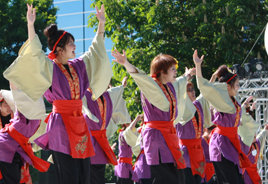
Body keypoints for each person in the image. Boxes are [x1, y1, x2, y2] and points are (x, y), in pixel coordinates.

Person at [3, 4, 112, 184]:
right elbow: (36, 53)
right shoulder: (50, 67)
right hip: (61, 124)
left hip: (80, 124)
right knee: (69, 177)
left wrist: (101, 25)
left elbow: (95, 50)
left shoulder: (78, 65)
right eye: (71, 44)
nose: (75, 46)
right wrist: (31, 25)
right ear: (59, 49)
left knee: (84, 176)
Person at [112, 49, 195, 183]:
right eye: (172, 69)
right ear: (162, 72)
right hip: (157, 137)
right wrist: (126, 63)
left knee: (177, 177)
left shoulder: (170, 86)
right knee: (164, 177)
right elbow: (141, 77)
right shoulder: (151, 85)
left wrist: (187, 76)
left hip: (168, 135)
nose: (175, 71)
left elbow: (179, 82)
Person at [193, 50, 258, 184]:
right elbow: (204, 87)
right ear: (227, 86)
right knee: (231, 180)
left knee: (227, 179)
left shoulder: (233, 101)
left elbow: (237, 110)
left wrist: (246, 106)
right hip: (221, 144)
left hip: (230, 143)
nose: (239, 88)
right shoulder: (223, 101)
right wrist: (198, 66)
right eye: (237, 85)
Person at [82, 77, 131, 184]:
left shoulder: (106, 96)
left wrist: (122, 86)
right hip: (87, 142)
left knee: (97, 175)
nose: (107, 83)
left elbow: (115, 92)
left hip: (99, 143)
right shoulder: (85, 94)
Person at [0, 84, 49, 184]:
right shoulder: (22, 113)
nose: (8, 107)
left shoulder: (35, 116)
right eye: (5, 105)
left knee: (14, 179)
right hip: (4, 147)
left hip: (16, 148)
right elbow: (15, 90)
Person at [175, 80, 212, 184]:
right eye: (189, 90)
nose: (193, 92)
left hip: (198, 153)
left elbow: (204, 93)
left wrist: (211, 77)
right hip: (185, 152)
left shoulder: (197, 105)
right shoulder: (179, 108)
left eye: (193, 89)